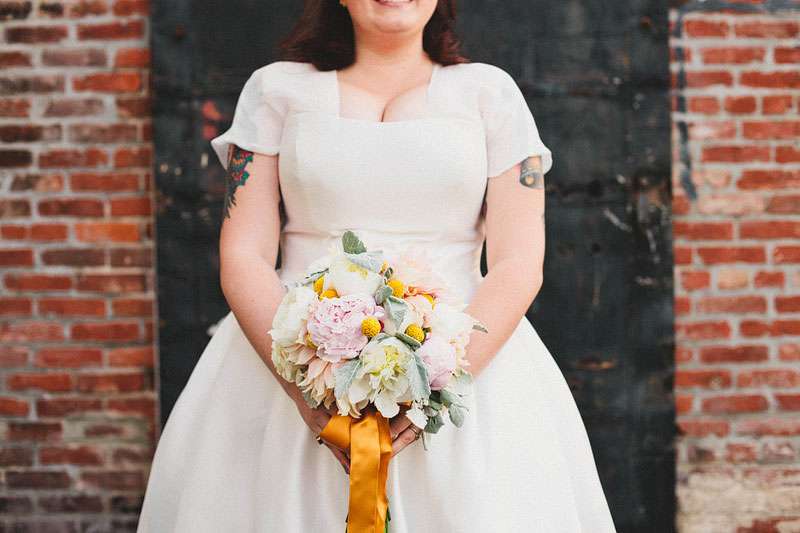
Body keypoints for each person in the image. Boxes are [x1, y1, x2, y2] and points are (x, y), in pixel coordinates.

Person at [137, 0, 618, 531]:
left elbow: (518, 262)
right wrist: (305, 393)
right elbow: (244, 255)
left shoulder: (490, 93)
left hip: (465, 360)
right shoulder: (276, 90)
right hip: (292, 362)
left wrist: (437, 387)